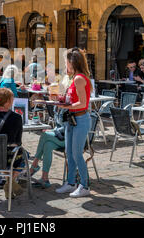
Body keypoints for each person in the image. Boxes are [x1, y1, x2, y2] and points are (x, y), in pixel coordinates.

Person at [53, 48, 93, 198]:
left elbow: (83, 103)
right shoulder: (74, 78)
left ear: (72, 62)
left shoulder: (79, 78)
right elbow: (74, 100)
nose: (65, 64)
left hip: (80, 119)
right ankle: (71, 183)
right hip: (72, 119)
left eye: (66, 61)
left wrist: (65, 106)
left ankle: (85, 185)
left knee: (76, 154)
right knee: (69, 153)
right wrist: (61, 100)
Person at [0, 88, 24, 198]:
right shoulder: (16, 117)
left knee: (13, 154)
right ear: (7, 102)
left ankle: (9, 183)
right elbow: (18, 141)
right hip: (8, 157)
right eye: (12, 99)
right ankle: (10, 183)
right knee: (24, 156)